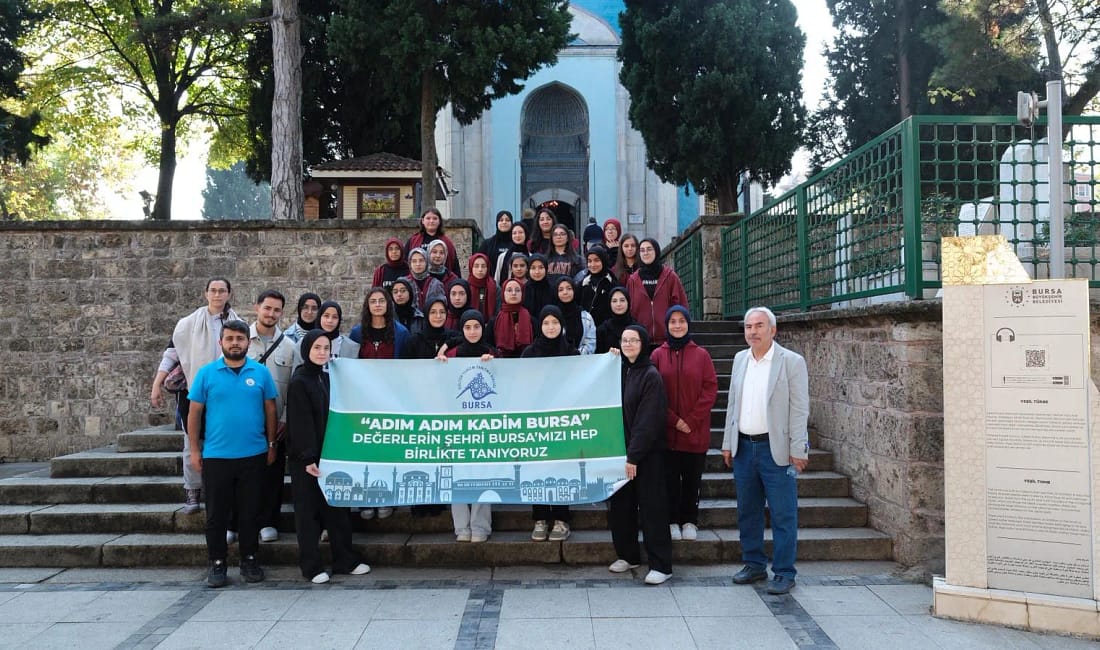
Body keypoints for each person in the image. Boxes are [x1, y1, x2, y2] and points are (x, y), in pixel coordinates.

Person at [721, 306, 809, 595]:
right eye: (748, 326)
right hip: (744, 447)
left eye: (759, 326)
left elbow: (799, 409)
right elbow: (732, 403)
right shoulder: (739, 360)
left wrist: (799, 448)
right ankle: (754, 563)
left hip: (777, 449)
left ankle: (784, 572)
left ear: (773, 329)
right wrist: (727, 442)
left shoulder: (791, 362)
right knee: (748, 511)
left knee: (784, 514)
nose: (753, 331)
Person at [186, 319, 278, 588]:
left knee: (250, 512)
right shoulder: (206, 373)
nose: (235, 343)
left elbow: (270, 410)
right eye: (230, 339)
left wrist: (272, 444)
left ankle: (249, 559)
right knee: (216, 515)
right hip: (217, 456)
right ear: (221, 342)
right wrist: (194, 449)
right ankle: (217, 563)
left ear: (248, 342)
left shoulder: (260, 373)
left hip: (253, 455)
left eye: (240, 338)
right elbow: (194, 413)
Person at [286, 328, 371, 584]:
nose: (322, 353)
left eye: (326, 348)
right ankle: (311, 566)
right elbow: (300, 424)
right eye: (317, 348)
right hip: (308, 460)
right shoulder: (300, 381)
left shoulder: (326, 378)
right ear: (306, 350)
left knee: (337, 510)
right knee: (308, 514)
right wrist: (309, 457)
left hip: (331, 455)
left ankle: (344, 558)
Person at [150, 277, 240, 514]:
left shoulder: (237, 323)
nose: (217, 295)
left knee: (221, 442)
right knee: (192, 443)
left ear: (229, 294)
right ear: (205, 293)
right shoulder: (188, 324)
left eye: (222, 291)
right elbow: (172, 354)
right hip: (193, 390)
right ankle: (192, 491)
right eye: (213, 290)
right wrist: (157, 384)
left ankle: (218, 491)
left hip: (225, 391)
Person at [608, 325, 673, 585]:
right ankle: (628, 555)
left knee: (652, 508)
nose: (629, 344)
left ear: (644, 343)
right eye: (624, 340)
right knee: (621, 508)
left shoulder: (650, 375)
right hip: (621, 453)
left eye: (634, 340)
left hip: (646, 454)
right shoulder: (621, 370)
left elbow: (648, 421)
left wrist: (633, 456)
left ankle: (661, 564)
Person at [651, 306, 717, 542]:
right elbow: (653, 392)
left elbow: (709, 390)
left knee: (691, 481)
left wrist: (690, 420)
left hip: (694, 432)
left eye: (681, 321)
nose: (677, 326)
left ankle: (690, 520)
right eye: (672, 322)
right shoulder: (658, 355)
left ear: (688, 324)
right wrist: (674, 420)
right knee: (669, 482)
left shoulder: (702, 355)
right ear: (666, 325)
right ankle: (671, 521)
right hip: (667, 433)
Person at [437, 310, 497, 542]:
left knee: (483, 472)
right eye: (468, 327)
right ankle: (461, 526)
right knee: (456, 472)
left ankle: (480, 525)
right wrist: (440, 364)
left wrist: (493, 366)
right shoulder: (451, 354)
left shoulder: (491, 353)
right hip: (456, 423)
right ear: (461, 329)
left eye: (477, 327)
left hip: (483, 423)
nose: (473, 332)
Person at [241, 290, 294, 545]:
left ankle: (268, 521)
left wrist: (284, 418)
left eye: (276, 310)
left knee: (272, 474)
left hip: (276, 422)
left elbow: (292, 386)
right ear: (257, 308)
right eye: (267, 308)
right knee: (242, 474)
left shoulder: (289, 346)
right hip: (245, 421)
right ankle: (239, 521)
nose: (271, 314)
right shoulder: (240, 340)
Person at [522, 306, 578, 541]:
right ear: (540, 326)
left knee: (562, 470)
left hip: (563, 423)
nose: (551, 327)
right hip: (537, 423)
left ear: (562, 325)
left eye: (555, 322)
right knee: (538, 470)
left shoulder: (572, 354)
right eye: (546, 323)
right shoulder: (529, 353)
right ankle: (541, 517)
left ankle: (562, 519)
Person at [626, 238, 688, 349]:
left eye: (649, 249)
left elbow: (681, 305)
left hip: (668, 341)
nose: (646, 253)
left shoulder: (670, 276)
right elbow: (629, 309)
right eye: (642, 250)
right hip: (641, 342)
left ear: (656, 251)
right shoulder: (633, 280)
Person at [351, 288, 409, 360]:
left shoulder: (401, 332)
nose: (377, 305)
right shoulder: (356, 333)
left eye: (382, 301)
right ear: (368, 306)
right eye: (373, 301)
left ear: (387, 304)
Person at [405, 207, 459, 274]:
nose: (431, 221)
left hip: (442, 279)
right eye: (428, 218)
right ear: (422, 221)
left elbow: (454, 264)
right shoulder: (413, 240)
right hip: (418, 280)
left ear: (439, 221)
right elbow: (405, 263)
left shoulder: (447, 242)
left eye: (435, 218)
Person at [493, 279, 534, 358]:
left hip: (526, 364)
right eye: (509, 290)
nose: (514, 293)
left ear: (522, 294)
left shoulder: (531, 320)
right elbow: (490, 347)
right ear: (503, 294)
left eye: (518, 290)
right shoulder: (495, 320)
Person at [554, 276, 595, 355]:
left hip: (581, 362)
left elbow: (590, 343)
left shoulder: (586, 317)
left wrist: (576, 355)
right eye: (561, 290)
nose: (565, 292)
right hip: (556, 362)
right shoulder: (551, 316)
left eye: (569, 288)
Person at [578, 245, 615, 326]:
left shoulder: (612, 283)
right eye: (589, 261)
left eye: (596, 260)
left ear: (603, 261)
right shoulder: (583, 284)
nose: (593, 264)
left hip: (606, 332)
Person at [595, 287, 637, 354]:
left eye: (622, 300)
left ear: (628, 302)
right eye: (614, 301)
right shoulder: (602, 330)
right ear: (609, 304)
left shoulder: (637, 329)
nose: (618, 304)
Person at [478, 210, 515, 278]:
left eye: (507, 220)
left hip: (513, 285)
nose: (504, 222)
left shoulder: (517, 244)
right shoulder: (487, 244)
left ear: (512, 223)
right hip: (491, 284)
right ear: (496, 223)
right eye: (501, 220)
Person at [466, 253, 498, 320]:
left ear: (487, 268)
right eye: (476, 266)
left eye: (483, 266)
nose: (480, 270)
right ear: (471, 267)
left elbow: (498, 310)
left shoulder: (495, 287)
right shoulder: (465, 287)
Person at [522, 254, 553, 319]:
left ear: (546, 268)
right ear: (528, 270)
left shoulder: (553, 289)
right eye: (533, 268)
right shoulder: (523, 289)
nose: (537, 272)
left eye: (541, 267)